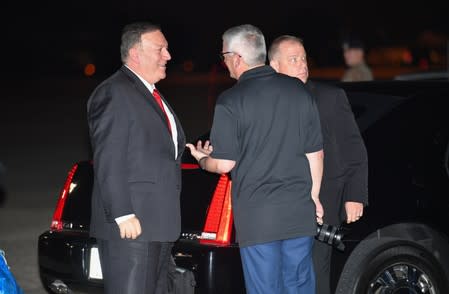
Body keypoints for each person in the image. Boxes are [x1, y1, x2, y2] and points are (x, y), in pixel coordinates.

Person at [187, 24, 324, 294]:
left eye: (224, 55)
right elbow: (315, 153)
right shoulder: (299, 91)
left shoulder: (231, 100)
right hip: (299, 212)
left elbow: (225, 164)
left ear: (237, 58)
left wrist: (204, 160)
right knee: (298, 286)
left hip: (259, 218)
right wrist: (315, 196)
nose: (224, 62)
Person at [87, 21, 185, 294]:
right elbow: (109, 156)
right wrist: (122, 213)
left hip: (157, 225)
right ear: (136, 53)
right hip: (132, 227)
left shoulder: (150, 94)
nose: (168, 55)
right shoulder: (115, 92)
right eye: (161, 49)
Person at [268, 35, 368, 294]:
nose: (302, 64)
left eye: (303, 58)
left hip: (324, 200)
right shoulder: (264, 101)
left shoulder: (329, 97)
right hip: (279, 203)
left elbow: (353, 147)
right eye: (293, 60)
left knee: (316, 270)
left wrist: (354, 195)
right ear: (274, 66)